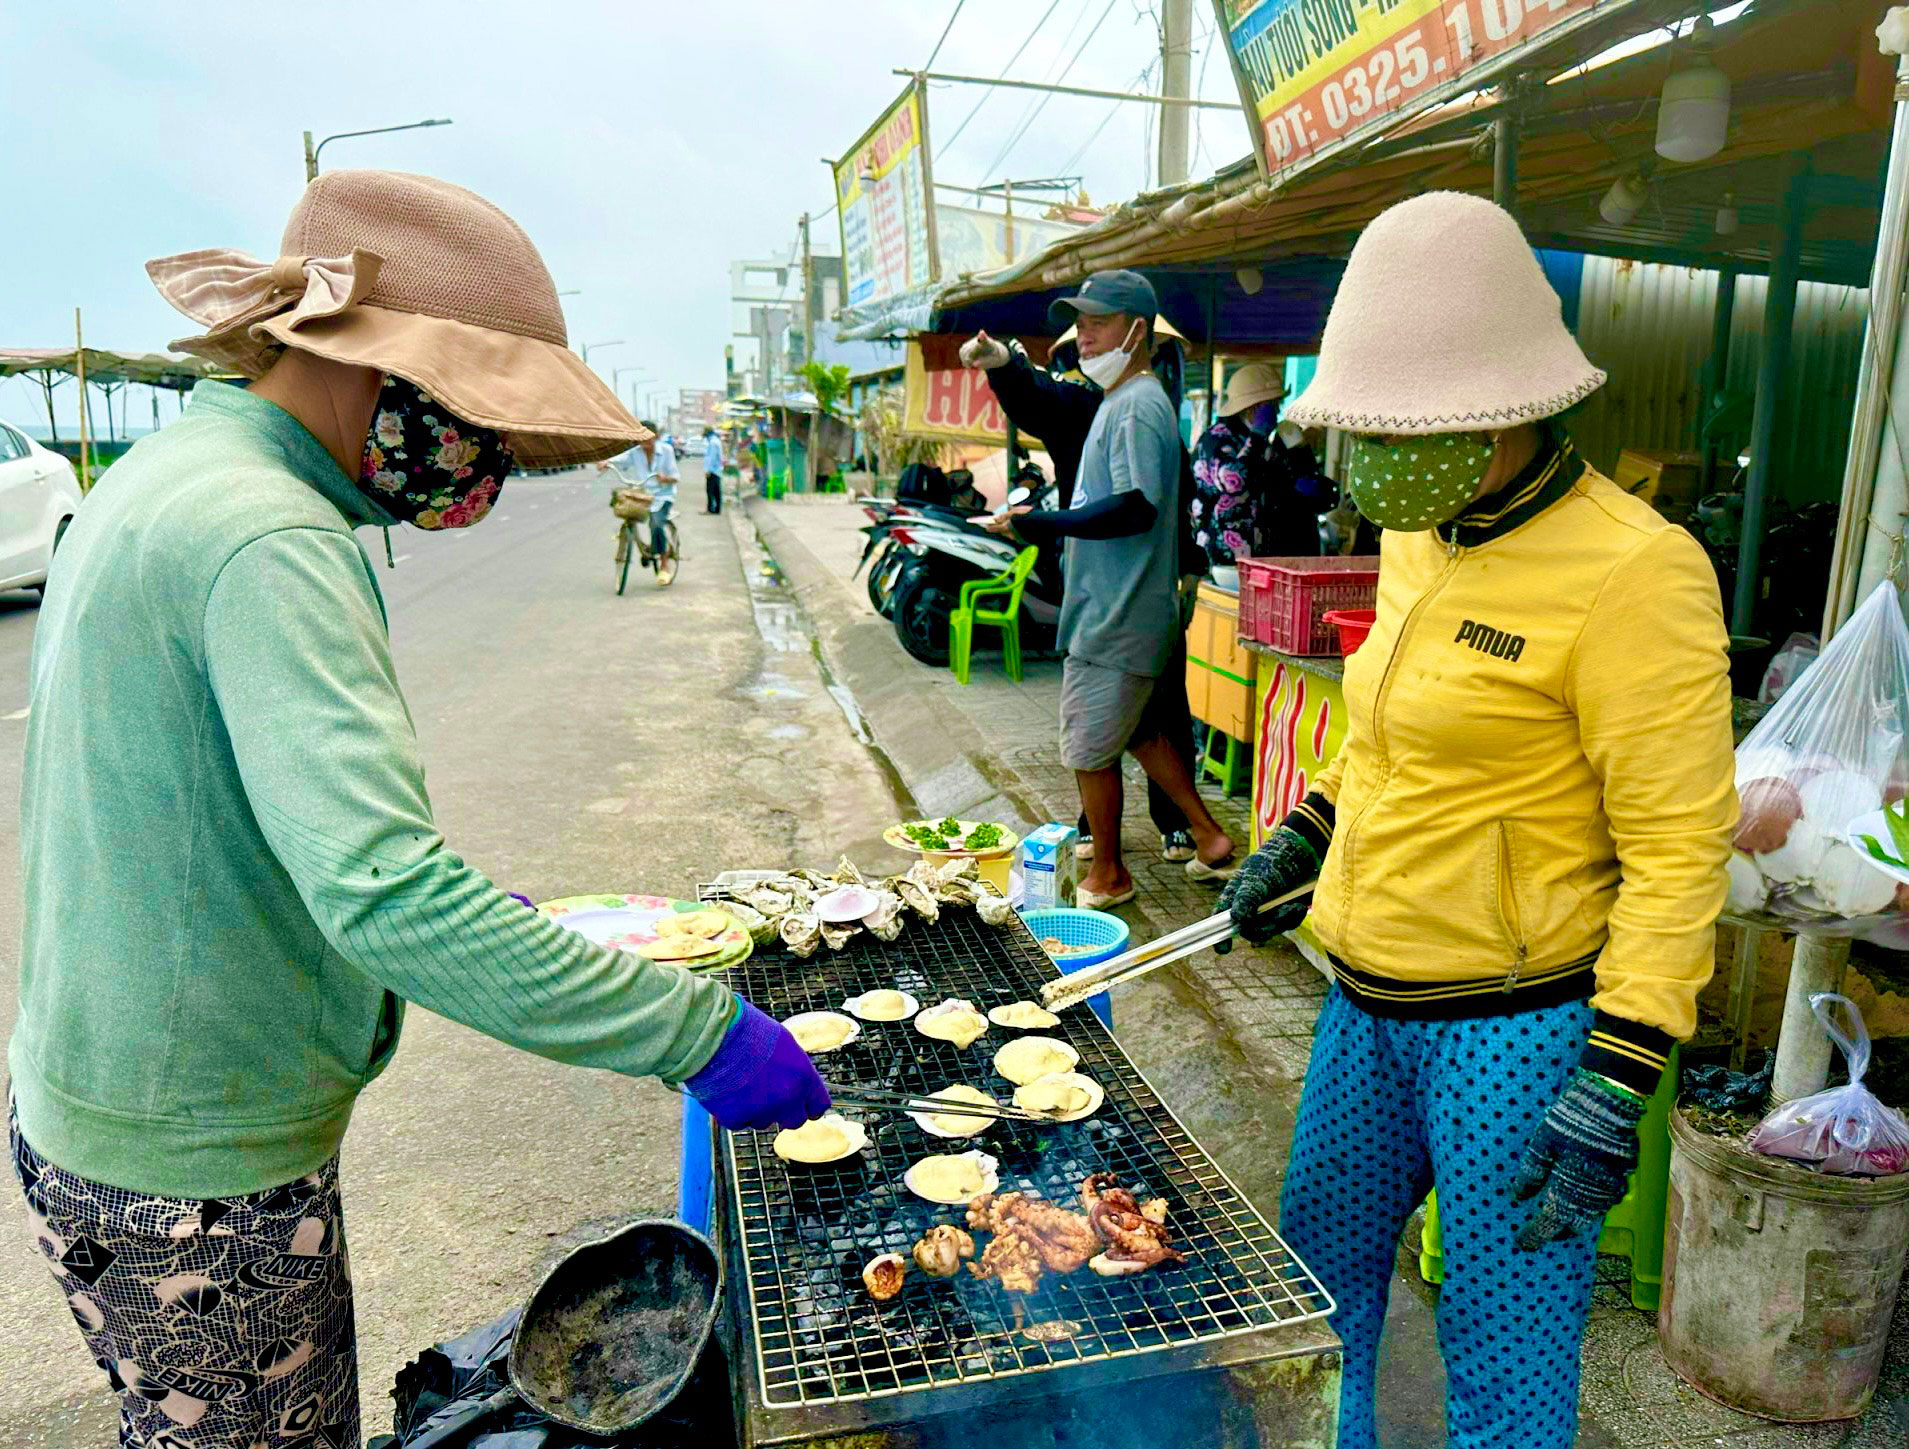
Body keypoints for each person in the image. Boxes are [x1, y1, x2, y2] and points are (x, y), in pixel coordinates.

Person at [7, 170, 829, 1448]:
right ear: (365, 364)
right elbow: (383, 891)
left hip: (107, 1116)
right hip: (191, 1173)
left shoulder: (175, 469)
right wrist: (698, 1034)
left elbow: (193, 805)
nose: (485, 457)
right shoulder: (270, 535)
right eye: (474, 413)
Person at [1219, 192, 1736, 1449]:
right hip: (1361, 999)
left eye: (1415, 431)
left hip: (1517, 1032)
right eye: (1369, 432)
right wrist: (1308, 831)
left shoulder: (1634, 570)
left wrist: (1619, 1076)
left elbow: (1678, 852)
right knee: (1308, 1309)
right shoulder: (1417, 536)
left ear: (1518, 406)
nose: (1380, 461)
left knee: (1500, 1361)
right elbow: (1388, 743)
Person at [987, 270, 1236, 908]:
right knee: (1144, 733)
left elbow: (1136, 508)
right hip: (1114, 606)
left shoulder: (1140, 406)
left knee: (1087, 746)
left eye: (1098, 323)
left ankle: (1111, 875)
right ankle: (1209, 840)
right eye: (1083, 323)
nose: (1085, 336)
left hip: (1119, 613)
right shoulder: (1117, 401)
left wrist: (1037, 521)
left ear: (1137, 329)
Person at [960, 320, 1205, 866]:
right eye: (1079, 346)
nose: (1083, 358)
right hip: (1103, 587)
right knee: (1122, 727)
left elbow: (1159, 503)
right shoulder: (1087, 407)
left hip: (1139, 593)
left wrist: (1189, 566)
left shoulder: (1146, 408)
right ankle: (1146, 833)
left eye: (1097, 336)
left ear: (1137, 341)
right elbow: (1036, 396)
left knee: (1145, 715)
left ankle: (1154, 842)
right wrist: (1003, 361)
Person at [1191, 360, 1329, 569]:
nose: (1277, 411)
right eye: (1273, 405)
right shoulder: (1216, 439)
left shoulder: (1259, 443)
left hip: (1256, 555)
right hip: (1221, 556)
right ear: (1253, 408)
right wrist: (1258, 435)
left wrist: (1299, 454)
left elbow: (1280, 482)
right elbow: (1234, 482)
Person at [632, 420, 679, 563]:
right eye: (641, 437)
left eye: (648, 437)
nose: (645, 441)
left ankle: (664, 563)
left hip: (663, 496)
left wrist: (666, 479)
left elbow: (676, 477)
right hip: (644, 496)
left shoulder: (666, 451)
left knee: (657, 524)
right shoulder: (635, 452)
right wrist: (606, 463)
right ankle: (650, 548)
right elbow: (618, 460)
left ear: (656, 437)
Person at [703, 424, 725, 513]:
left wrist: (708, 470)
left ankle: (711, 509)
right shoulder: (716, 441)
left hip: (713, 470)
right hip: (717, 470)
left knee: (710, 491)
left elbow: (711, 457)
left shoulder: (712, 442)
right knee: (716, 491)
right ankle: (717, 509)